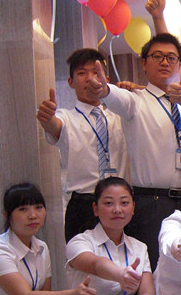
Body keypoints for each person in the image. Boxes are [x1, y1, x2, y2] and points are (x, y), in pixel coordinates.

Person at [88, 33, 181, 269]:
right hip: (152, 203)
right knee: (153, 268)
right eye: (157, 56)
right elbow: (116, 97)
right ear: (144, 63)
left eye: (171, 58)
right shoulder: (135, 101)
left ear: (178, 64)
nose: (165, 62)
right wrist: (104, 91)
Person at [35, 48, 128, 241]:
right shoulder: (66, 117)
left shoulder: (120, 117)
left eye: (95, 72)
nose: (90, 79)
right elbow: (55, 126)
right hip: (84, 204)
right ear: (71, 82)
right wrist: (47, 120)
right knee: (81, 258)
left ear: (106, 79)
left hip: (118, 202)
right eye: (82, 73)